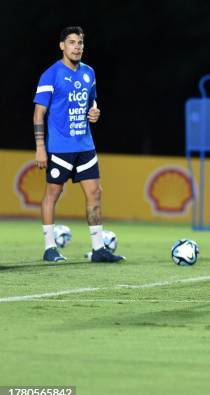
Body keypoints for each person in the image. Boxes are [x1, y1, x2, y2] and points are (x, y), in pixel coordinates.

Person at [33, 26, 124, 263]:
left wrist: (94, 111)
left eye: (80, 43)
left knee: (95, 193)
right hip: (60, 148)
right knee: (53, 193)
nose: (77, 47)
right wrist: (40, 147)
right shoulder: (51, 74)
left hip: (85, 146)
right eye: (72, 42)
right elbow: (38, 112)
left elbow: (92, 101)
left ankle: (98, 249)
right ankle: (49, 247)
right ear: (62, 45)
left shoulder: (89, 73)